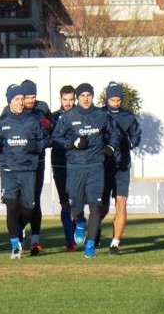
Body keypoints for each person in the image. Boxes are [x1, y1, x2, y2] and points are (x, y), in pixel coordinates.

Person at [51, 83, 120, 259]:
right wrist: (72, 143)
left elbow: (114, 134)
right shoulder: (68, 117)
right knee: (76, 207)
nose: (86, 98)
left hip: (96, 166)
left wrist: (111, 147)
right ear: (78, 98)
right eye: (82, 95)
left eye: (89, 95)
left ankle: (90, 246)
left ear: (93, 96)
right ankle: (80, 222)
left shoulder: (101, 116)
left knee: (96, 206)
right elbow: (56, 138)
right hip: (74, 167)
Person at [0, 84, 48, 259]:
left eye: (23, 99)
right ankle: (15, 245)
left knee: (29, 209)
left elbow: (46, 140)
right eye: (17, 99)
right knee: (11, 207)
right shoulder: (0, 123)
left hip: (29, 170)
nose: (21, 102)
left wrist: (35, 146)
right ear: (9, 101)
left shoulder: (33, 121)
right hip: (8, 171)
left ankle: (18, 229)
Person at [99, 82, 142, 256]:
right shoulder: (99, 114)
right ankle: (95, 228)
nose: (116, 102)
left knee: (121, 204)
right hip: (102, 167)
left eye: (118, 99)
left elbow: (136, 136)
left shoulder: (128, 116)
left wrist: (128, 143)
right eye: (112, 99)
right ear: (107, 99)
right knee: (101, 207)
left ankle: (115, 244)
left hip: (122, 167)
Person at [20, 79, 52, 256]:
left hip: (37, 163)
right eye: (27, 97)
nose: (30, 100)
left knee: (35, 200)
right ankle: (18, 231)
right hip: (17, 166)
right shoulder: (13, 108)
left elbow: (52, 132)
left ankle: (35, 241)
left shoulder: (42, 108)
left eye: (33, 96)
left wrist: (47, 125)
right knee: (19, 202)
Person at [51, 85, 76, 252]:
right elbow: (51, 139)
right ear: (60, 99)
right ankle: (70, 241)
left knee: (79, 202)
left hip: (78, 164)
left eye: (71, 100)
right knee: (66, 204)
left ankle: (85, 232)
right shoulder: (53, 117)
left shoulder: (81, 115)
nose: (68, 103)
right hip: (60, 164)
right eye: (65, 100)